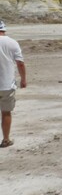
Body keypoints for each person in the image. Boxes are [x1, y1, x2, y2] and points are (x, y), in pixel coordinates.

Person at [0, 20, 27, 148]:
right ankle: (5, 139)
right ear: (4, 29)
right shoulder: (12, 42)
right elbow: (20, 63)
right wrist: (23, 79)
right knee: (6, 112)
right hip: (6, 84)